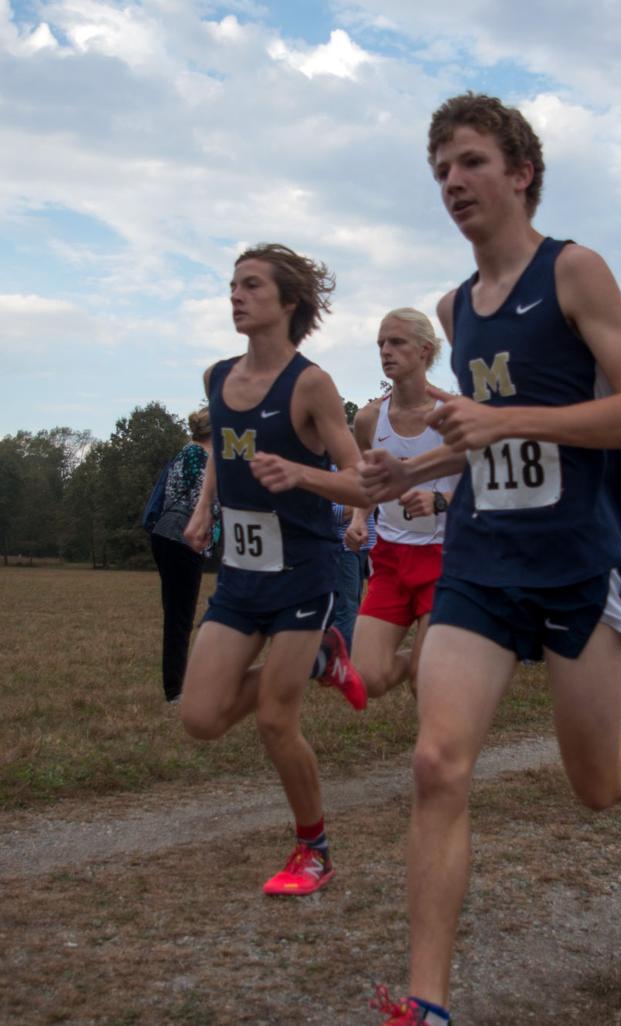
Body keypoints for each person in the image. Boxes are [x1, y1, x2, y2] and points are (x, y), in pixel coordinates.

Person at [359, 93, 621, 1026]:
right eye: (441, 168)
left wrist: (504, 419)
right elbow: (486, 445)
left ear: (521, 171)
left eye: (472, 162)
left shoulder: (574, 271)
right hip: (483, 563)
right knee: (438, 763)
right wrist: (410, 466)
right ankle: (428, 1002)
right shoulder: (456, 309)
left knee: (597, 783)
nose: (454, 181)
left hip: (578, 563)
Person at [180, 243, 368, 897]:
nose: (236, 295)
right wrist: (205, 509)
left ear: (288, 303)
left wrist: (300, 474)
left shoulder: (310, 384)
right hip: (238, 575)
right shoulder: (218, 377)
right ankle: (320, 661)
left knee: (273, 721)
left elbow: (361, 483)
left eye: (252, 285)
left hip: (303, 573)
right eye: (232, 284)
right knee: (200, 717)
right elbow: (220, 457)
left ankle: (313, 849)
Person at [349, 308, 461, 700]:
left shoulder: (451, 414)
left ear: (425, 350)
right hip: (391, 559)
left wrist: (440, 500)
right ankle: (439, 657)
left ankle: (436, 663)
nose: (385, 350)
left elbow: (484, 486)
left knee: (424, 683)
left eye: (396, 342)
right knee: (366, 679)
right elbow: (368, 484)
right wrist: (360, 518)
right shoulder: (367, 419)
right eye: (381, 342)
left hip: (445, 558)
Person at [149, 408, 217, 703]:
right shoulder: (198, 456)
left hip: (171, 536)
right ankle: (175, 689)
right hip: (181, 538)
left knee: (178, 613)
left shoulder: (190, 452)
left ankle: (176, 684)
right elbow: (202, 502)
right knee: (180, 615)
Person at [330, 475, 376, 652]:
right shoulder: (330, 470)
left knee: (354, 604)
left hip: (364, 545)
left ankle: (343, 655)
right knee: (346, 608)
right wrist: (363, 502)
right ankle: (342, 660)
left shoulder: (360, 469)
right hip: (343, 547)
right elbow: (332, 514)